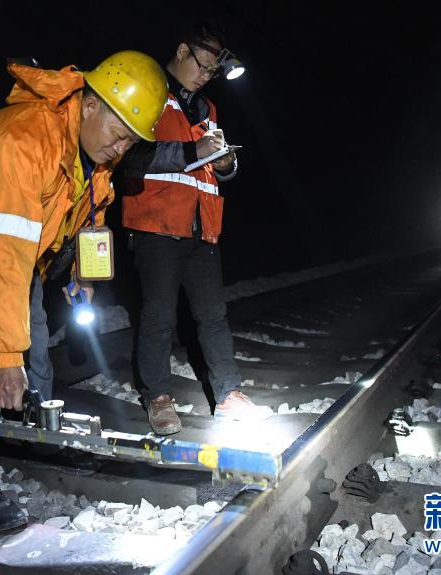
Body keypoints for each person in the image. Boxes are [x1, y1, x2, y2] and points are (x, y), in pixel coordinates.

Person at [0, 52, 167, 531]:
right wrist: (7, 359)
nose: (121, 147)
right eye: (119, 132)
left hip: (14, 241)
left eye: (132, 139)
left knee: (37, 345)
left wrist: (82, 275)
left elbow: (87, 214)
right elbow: (2, 255)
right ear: (89, 104)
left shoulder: (93, 151)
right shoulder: (23, 142)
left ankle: (46, 440)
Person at [121, 22, 272, 435]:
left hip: (202, 227)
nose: (206, 76)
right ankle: (157, 397)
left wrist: (225, 164)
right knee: (158, 316)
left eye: (212, 72)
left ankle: (228, 395)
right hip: (157, 225)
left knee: (214, 316)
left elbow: (212, 166)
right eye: (202, 66)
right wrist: (193, 150)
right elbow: (130, 156)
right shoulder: (149, 91)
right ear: (182, 51)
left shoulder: (206, 109)